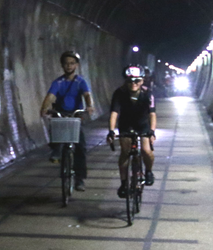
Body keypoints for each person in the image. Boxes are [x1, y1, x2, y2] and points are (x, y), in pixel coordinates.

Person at [39, 50, 94, 191]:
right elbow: (51, 96)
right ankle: (56, 150)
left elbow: (87, 94)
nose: (69, 66)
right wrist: (44, 108)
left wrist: (89, 106)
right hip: (62, 113)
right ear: (62, 65)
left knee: (80, 146)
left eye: (72, 63)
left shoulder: (80, 81)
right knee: (55, 127)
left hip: (76, 115)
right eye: (66, 64)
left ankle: (80, 179)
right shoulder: (58, 82)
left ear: (76, 65)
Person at [106, 65, 157, 198]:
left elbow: (152, 114)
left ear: (142, 81)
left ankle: (149, 171)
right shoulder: (120, 93)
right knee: (125, 152)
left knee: (146, 151)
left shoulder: (148, 93)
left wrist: (152, 131)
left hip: (142, 124)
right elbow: (114, 112)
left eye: (137, 80)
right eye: (130, 81)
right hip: (126, 124)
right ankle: (124, 183)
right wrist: (111, 131)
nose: (133, 83)